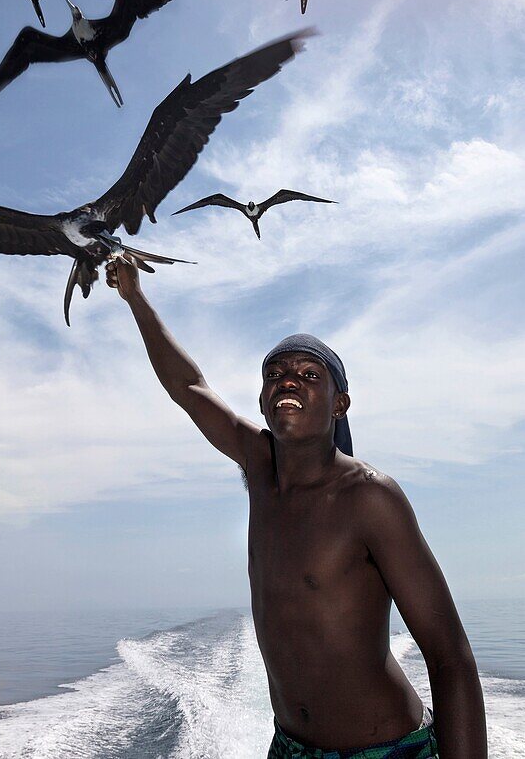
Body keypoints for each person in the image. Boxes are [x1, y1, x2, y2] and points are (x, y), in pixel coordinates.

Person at [106, 256, 487, 759]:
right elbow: (188, 386)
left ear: (338, 404)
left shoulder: (370, 498)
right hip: (289, 748)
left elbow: (449, 656)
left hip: (384, 751)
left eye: (310, 374)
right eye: (276, 374)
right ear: (264, 401)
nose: (289, 380)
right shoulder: (258, 467)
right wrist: (134, 297)